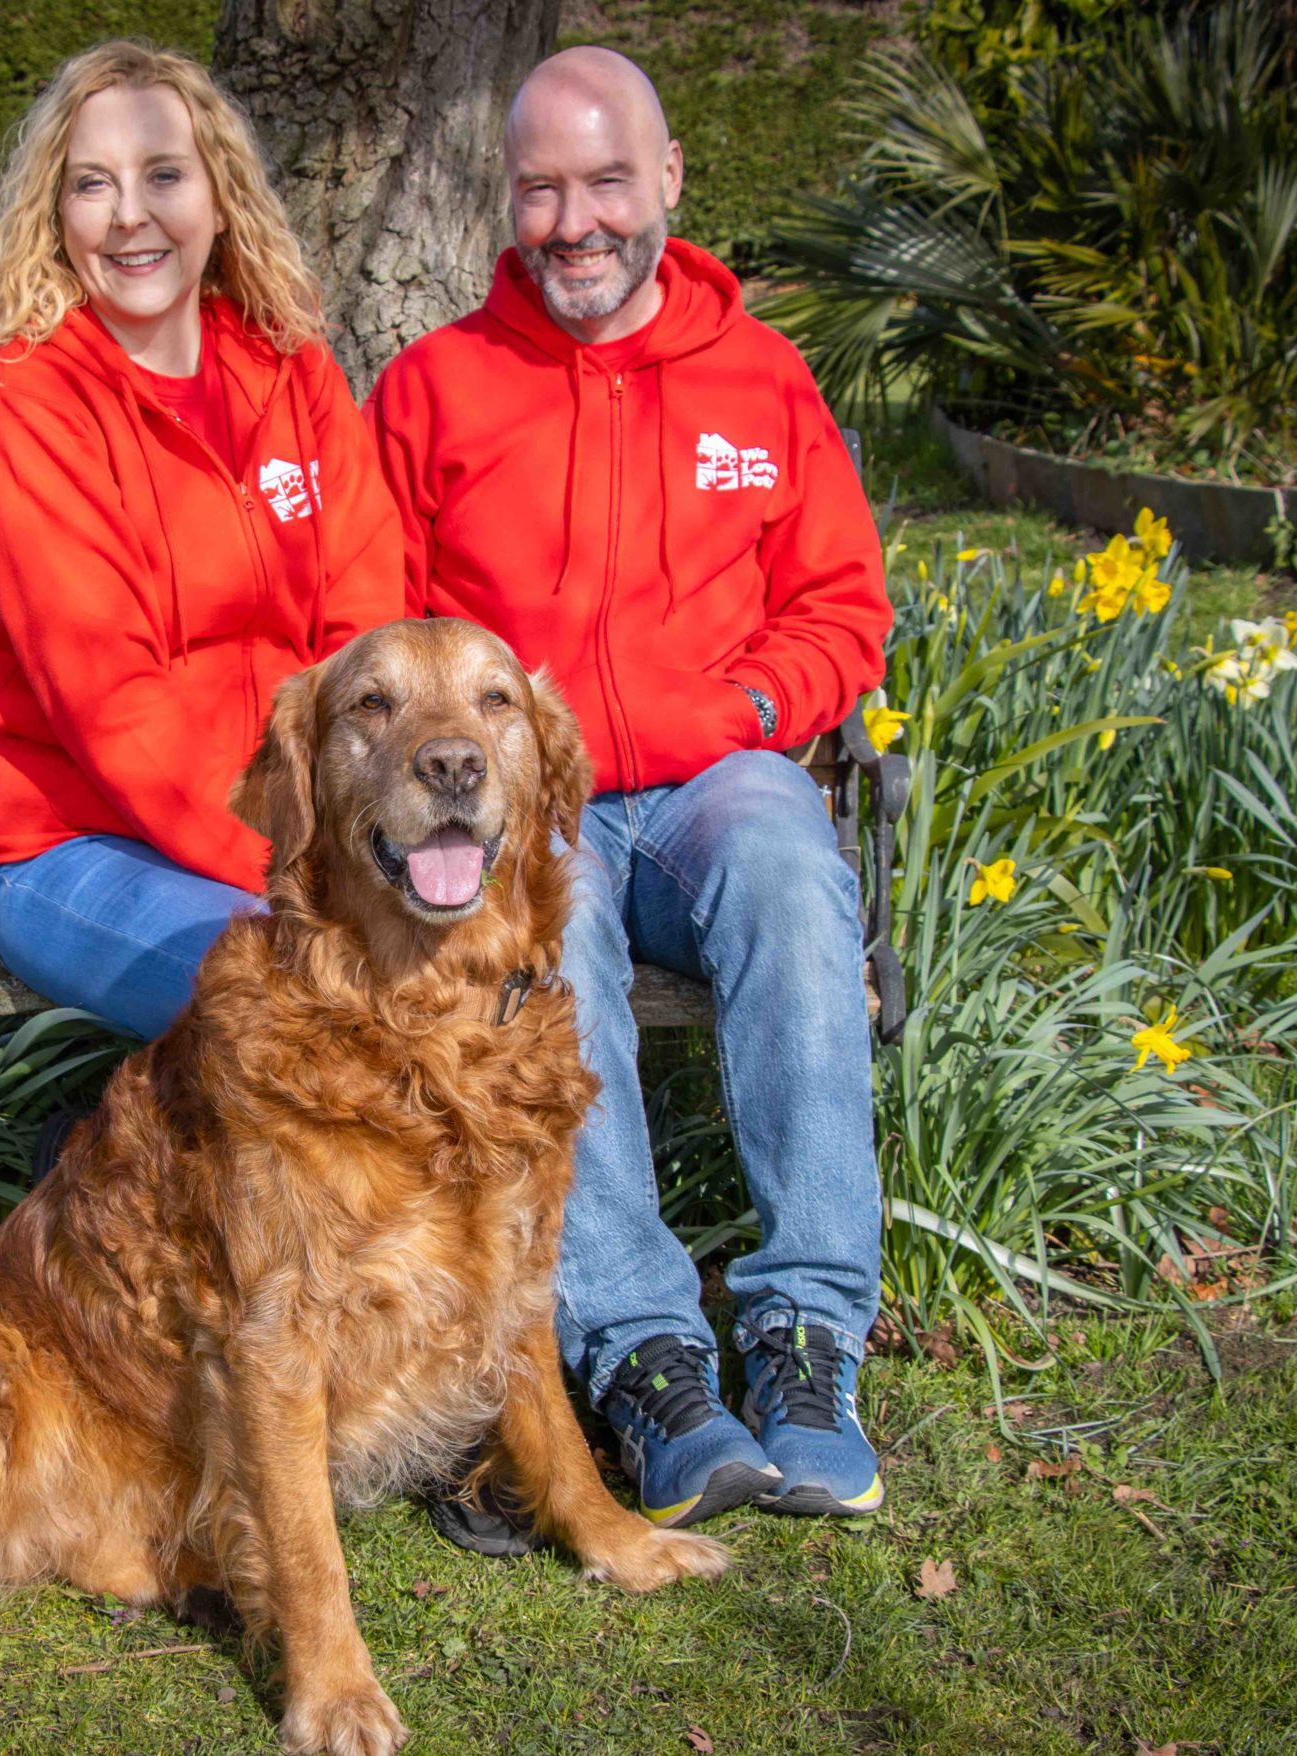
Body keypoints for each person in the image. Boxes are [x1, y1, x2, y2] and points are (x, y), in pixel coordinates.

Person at [367, 46, 893, 1535]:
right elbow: (376, 625)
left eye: (607, 180)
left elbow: (843, 607)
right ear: (507, 198)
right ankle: (647, 1356)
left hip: (717, 782)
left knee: (792, 869)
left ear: (666, 181)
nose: (574, 218)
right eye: (541, 186)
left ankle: (806, 1341)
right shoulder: (437, 388)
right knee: (556, 912)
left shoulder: (762, 379)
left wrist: (745, 707)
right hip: (528, 806)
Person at [0, 40, 403, 1042]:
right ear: (54, 212)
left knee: (461, 994)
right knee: (304, 1019)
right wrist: (298, 874)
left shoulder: (292, 370)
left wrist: (361, 841)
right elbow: (111, 704)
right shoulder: (24, 402)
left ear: (219, 191)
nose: (128, 216)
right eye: (91, 186)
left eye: (163, 175)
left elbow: (364, 631)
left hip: (296, 834)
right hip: (75, 849)